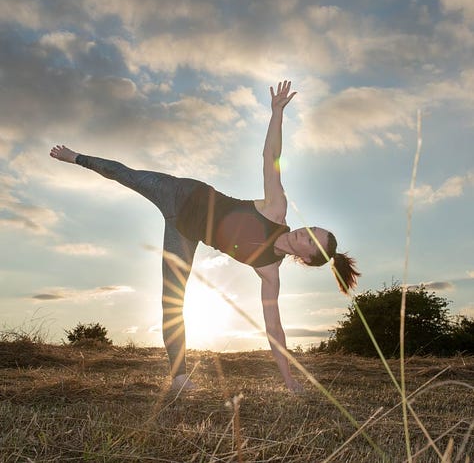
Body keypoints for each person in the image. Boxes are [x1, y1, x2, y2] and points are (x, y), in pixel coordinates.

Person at [50, 81, 360, 393]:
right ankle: (77, 157)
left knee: (171, 302)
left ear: (306, 258)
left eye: (310, 240)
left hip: (184, 233)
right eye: (311, 229)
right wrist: (276, 112)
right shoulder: (276, 209)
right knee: (125, 174)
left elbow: (274, 329)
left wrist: (289, 380)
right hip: (183, 192)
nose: (303, 233)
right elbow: (270, 156)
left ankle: (179, 379)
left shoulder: (269, 273)